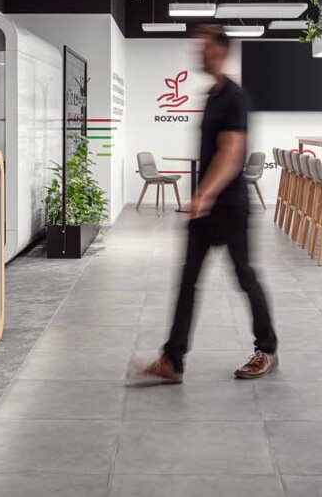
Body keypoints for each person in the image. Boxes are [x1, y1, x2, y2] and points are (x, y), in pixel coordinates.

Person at [136, 25, 278, 383]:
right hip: (207, 208)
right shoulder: (212, 96)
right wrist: (202, 199)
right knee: (187, 280)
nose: (197, 54)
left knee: (244, 277)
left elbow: (231, 154)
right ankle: (173, 360)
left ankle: (268, 349)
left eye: (203, 48)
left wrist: (204, 194)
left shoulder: (234, 97)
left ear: (220, 51)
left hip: (229, 206)